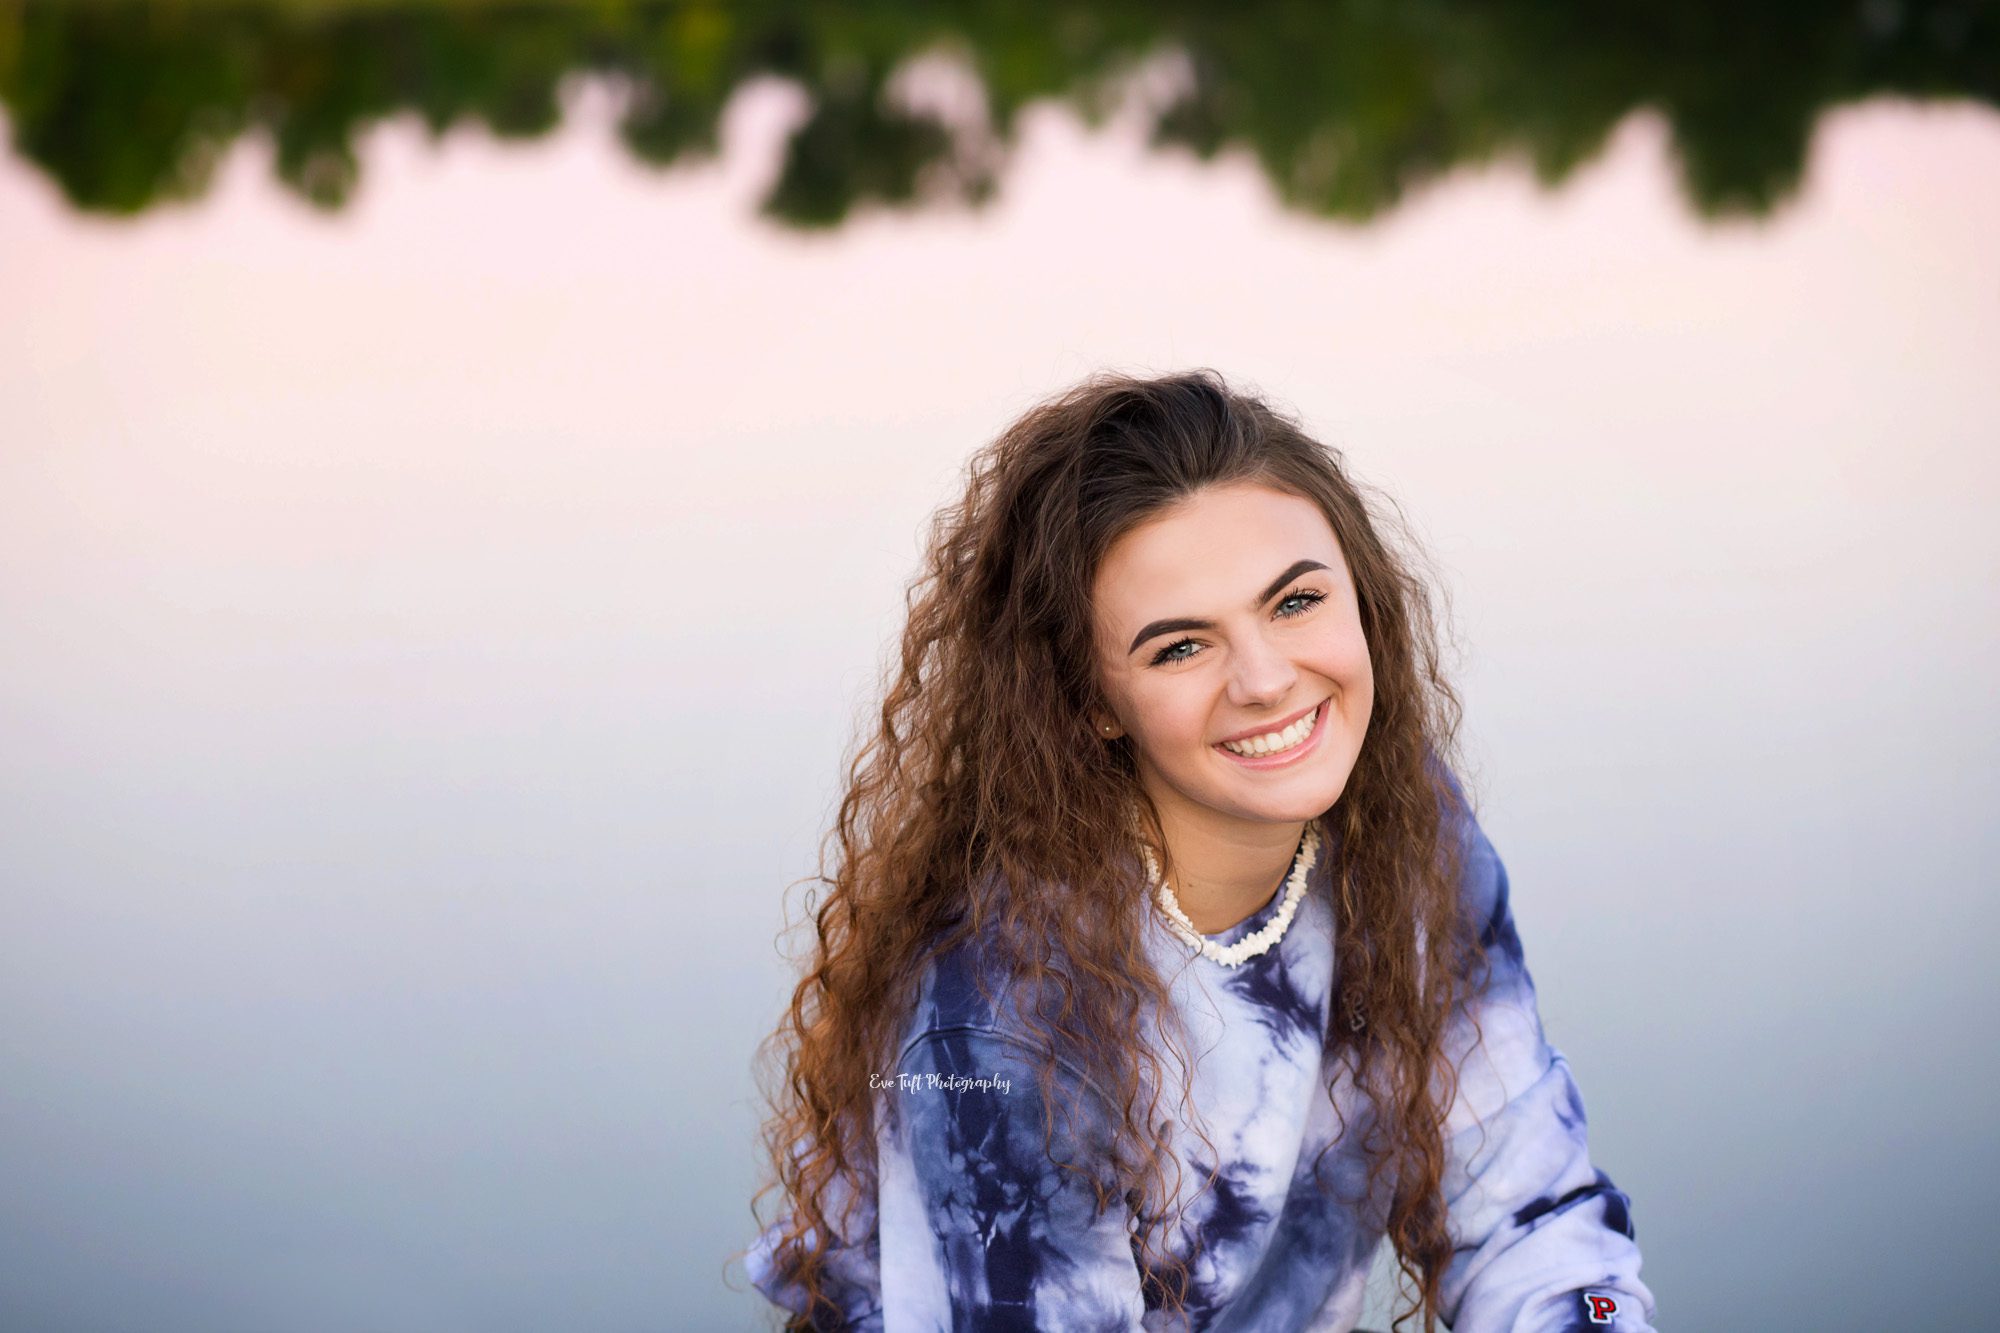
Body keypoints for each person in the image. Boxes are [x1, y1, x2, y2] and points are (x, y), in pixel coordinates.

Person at [734, 369, 1658, 1331]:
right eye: (1180, 646)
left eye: (1296, 601)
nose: (1265, 680)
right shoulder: (1004, 1021)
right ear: (1092, 703)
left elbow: (1528, 1222)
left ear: (1364, 595)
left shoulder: (1404, 826)